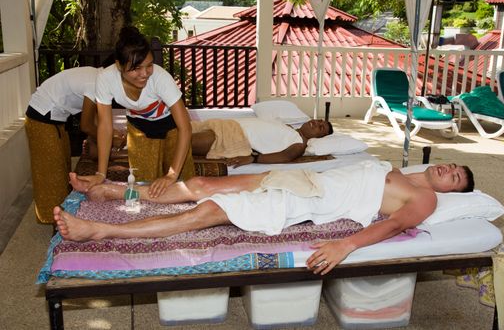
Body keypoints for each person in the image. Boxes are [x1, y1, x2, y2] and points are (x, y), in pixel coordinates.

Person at [57, 161, 474, 275]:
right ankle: (109, 189)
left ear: (448, 192)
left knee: (207, 213)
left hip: (306, 199)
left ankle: (101, 228)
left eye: (455, 179)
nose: (449, 170)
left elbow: (396, 224)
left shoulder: (423, 199)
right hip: (303, 178)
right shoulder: (397, 168)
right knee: (201, 184)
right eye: (453, 166)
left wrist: (345, 245)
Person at [77, 26, 194, 198]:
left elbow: (185, 127)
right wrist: (101, 174)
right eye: (136, 68)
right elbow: (105, 127)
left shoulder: (161, 78)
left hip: (173, 128)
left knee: (184, 186)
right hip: (139, 128)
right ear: (119, 65)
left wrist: (171, 174)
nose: (144, 74)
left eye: (149, 65)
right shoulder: (105, 79)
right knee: (143, 185)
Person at [25, 66, 108, 223]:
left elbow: (97, 120)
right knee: (51, 172)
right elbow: (86, 125)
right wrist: (109, 139)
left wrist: (103, 137)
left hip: (55, 119)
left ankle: (62, 213)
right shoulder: (95, 82)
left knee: (62, 167)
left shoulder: (99, 77)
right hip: (41, 117)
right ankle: (54, 220)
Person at [191, 118, 333, 167]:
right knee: (177, 132)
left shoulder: (300, 144)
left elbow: (285, 156)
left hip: (234, 137)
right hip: (228, 124)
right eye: (319, 121)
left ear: (319, 138)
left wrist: (253, 159)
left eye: (320, 127)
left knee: (185, 142)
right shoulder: (289, 128)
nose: (316, 122)